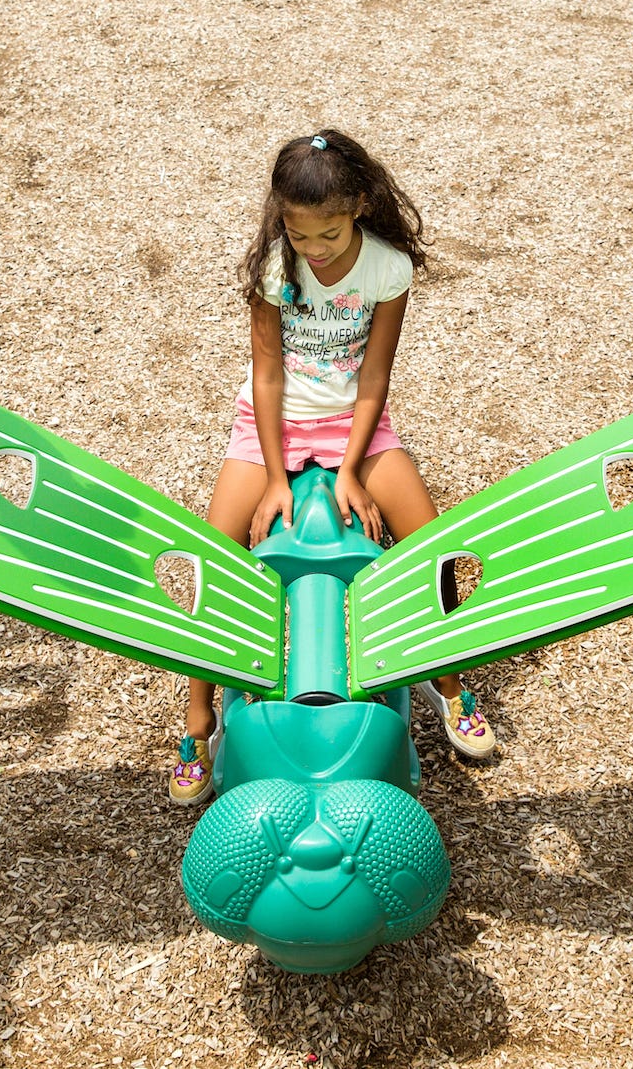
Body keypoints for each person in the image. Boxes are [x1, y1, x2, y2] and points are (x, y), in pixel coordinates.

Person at [170, 130, 496, 806]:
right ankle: (199, 721)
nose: (313, 249)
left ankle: (451, 684)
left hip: (354, 421)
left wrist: (350, 468)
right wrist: (272, 478)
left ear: (359, 207)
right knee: (212, 556)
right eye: (297, 231)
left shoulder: (385, 269)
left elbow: (375, 374)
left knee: (435, 548)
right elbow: (266, 378)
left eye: (328, 234)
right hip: (273, 425)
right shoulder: (274, 266)